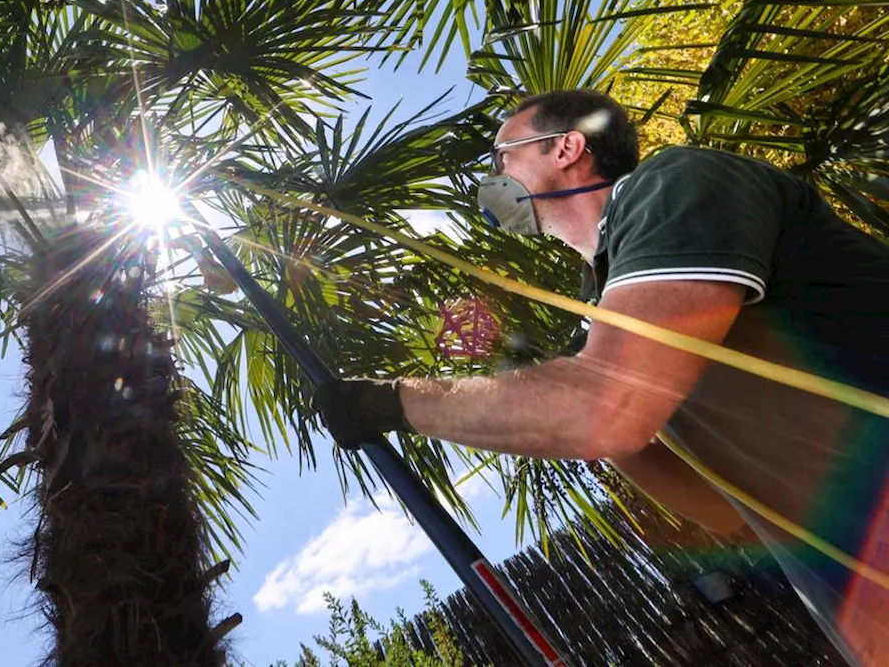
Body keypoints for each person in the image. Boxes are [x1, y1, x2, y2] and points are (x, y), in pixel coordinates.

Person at [315, 90, 889, 665]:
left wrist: (389, 402)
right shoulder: (607, 306)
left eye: (502, 157)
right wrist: (552, 387)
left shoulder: (673, 184)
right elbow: (720, 509)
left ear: (567, 147)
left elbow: (606, 409)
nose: (494, 177)